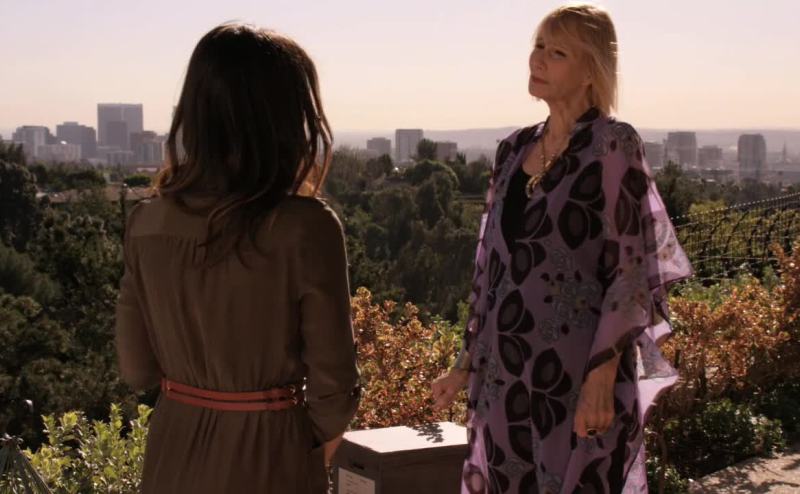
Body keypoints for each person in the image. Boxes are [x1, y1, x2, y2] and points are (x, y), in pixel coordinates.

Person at [431, 4, 692, 493]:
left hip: (576, 374)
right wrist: (464, 364)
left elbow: (630, 270)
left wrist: (601, 376)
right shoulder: (512, 149)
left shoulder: (612, 144)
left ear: (591, 70)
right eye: (538, 46)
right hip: (505, 374)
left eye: (557, 53)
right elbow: (489, 269)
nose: (538, 59)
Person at [115, 23, 360, 493]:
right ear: (287, 116)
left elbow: (136, 368)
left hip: (173, 450)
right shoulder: (305, 227)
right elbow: (334, 383)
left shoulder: (146, 222)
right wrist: (301, 444)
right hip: (270, 453)